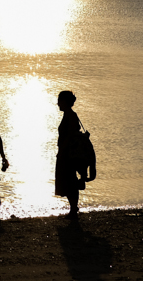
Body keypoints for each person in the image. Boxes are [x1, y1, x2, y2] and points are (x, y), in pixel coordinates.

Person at [55, 90, 84, 219]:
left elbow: (70, 136)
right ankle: (73, 208)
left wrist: (61, 152)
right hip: (66, 152)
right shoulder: (69, 115)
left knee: (70, 180)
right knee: (68, 180)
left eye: (59, 100)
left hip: (68, 154)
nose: (57, 103)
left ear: (65, 102)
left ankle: (73, 209)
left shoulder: (70, 116)